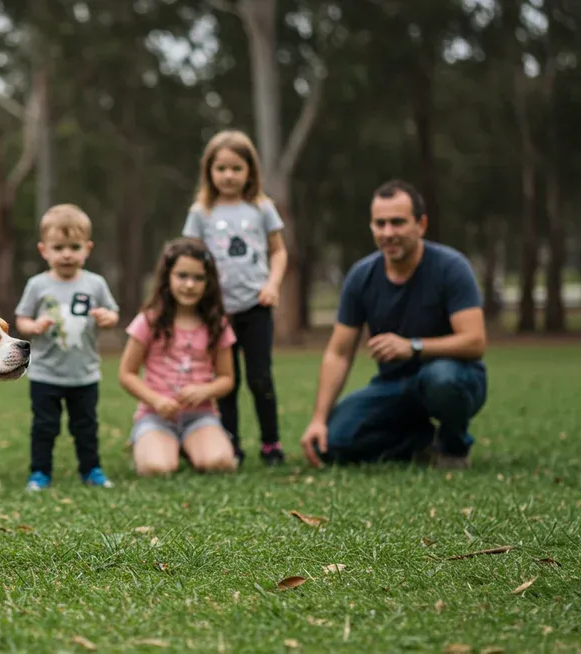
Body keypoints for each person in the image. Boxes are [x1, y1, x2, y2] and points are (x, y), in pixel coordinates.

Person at [299, 179, 487, 469]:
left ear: (420, 225)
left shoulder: (451, 267)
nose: (388, 233)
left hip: (455, 376)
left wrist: (412, 346)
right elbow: (338, 352)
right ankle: (420, 441)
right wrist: (318, 420)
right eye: (380, 224)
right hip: (394, 386)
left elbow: (475, 341)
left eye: (398, 223)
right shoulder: (361, 276)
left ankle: (453, 448)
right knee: (333, 443)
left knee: (442, 380)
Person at [182, 129, 287, 465]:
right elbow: (190, 256)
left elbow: (279, 252)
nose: (228, 176)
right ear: (209, 171)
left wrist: (272, 284)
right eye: (221, 168)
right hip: (218, 311)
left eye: (236, 168)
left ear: (250, 172)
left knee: (260, 377)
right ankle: (232, 444)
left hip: (256, 307)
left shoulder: (261, 207)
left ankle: (271, 444)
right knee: (227, 380)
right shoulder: (201, 211)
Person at [14, 204, 120, 491]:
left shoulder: (95, 283)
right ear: (43, 250)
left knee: (85, 426)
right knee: (44, 427)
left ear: (88, 248)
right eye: (58, 247)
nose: (66, 254)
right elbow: (21, 318)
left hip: (84, 374)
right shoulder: (37, 285)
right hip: (46, 373)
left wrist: (107, 318)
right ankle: (39, 473)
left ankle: (92, 470)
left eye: (74, 246)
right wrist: (32, 326)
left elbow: (112, 313)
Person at [118, 238, 240, 476]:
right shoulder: (149, 321)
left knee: (220, 463)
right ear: (167, 277)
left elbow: (227, 378)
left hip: (201, 417)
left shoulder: (218, 325)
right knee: (157, 468)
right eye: (182, 276)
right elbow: (126, 374)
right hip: (155, 417)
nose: (189, 285)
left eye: (198, 278)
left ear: (209, 282)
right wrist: (156, 400)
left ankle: (190, 444)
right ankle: (148, 442)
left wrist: (205, 391)